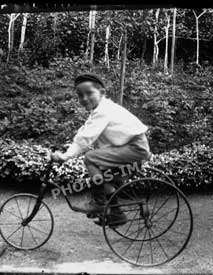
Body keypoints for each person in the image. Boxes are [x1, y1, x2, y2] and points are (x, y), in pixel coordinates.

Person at [51, 73, 151, 227]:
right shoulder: (100, 109)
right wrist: (70, 148)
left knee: (90, 158)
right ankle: (116, 214)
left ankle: (99, 202)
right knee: (103, 175)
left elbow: (86, 138)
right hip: (131, 147)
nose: (84, 98)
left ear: (102, 92)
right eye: (80, 95)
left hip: (135, 148)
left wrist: (66, 156)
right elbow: (85, 131)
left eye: (89, 93)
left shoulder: (104, 110)